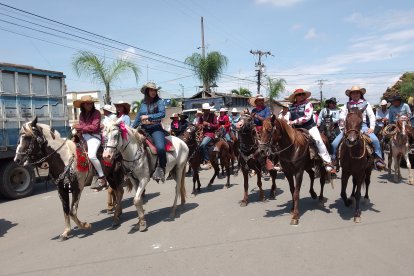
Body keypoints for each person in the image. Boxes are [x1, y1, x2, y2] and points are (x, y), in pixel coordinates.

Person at [331, 86, 386, 169]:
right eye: (353, 93)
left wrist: (371, 128)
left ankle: (378, 159)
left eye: (357, 92)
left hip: (362, 126)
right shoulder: (347, 105)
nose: (355, 94)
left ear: (360, 94)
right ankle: (333, 159)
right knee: (334, 143)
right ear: (350, 95)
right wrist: (342, 128)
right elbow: (342, 117)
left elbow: (371, 116)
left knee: (375, 140)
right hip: (349, 127)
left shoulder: (366, 104)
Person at [288, 88, 335, 173]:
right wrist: (288, 122)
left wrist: (293, 121)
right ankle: (281, 162)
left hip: (309, 127)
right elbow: (289, 117)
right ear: (295, 97)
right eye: (299, 95)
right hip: (295, 128)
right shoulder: (291, 106)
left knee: (319, 141)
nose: (301, 96)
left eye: (303, 94)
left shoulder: (308, 104)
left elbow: (307, 117)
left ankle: (328, 162)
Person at [132, 82, 167, 182]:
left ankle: (161, 168)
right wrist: (132, 129)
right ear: (147, 91)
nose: (153, 92)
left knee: (160, 148)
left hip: (155, 129)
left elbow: (162, 114)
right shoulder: (143, 103)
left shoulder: (159, 102)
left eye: (154, 90)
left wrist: (149, 116)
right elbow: (138, 117)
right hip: (144, 129)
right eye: (151, 90)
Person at [72, 95, 108, 190]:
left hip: (94, 137)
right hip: (84, 136)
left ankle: (101, 176)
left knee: (91, 155)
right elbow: (84, 126)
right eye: (87, 104)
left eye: (91, 103)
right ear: (83, 105)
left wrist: (80, 127)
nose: (89, 105)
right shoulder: (81, 114)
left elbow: (95, 127)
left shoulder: (96, 113)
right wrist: (80, 130)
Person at [197, 103, 218, 169]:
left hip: (210, 134)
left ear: (209, 110)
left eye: (207, 109)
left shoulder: (213, 116)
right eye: (205, 110)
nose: (206, 111)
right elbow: (198, 124)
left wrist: (208, 124)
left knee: (202, 145)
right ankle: (199, 160)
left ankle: (208, 161)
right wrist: (200, 126)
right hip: (202, 133)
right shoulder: (201, 117)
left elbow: (216, 126)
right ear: (203, 110)